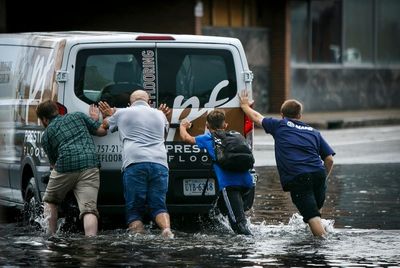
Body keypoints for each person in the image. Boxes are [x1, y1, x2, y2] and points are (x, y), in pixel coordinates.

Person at [239, 90, 335, 237]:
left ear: (282, 114)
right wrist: (323, 178)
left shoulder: (280, 125)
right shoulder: (313, 132)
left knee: (312, 217)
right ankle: (318, 239)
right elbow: (329, 159)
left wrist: (245, 106)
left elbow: (257, 117)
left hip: (299, 177)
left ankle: (322, 250)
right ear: (300, 116)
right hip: (318, 174)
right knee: (316, 212)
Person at [98, 89, 174, 238]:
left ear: (129, 103)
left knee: (134, 209)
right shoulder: (160, 114)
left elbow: (105, 126)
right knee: (158, 205)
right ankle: (166, 229)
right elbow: (163, 136)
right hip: (159, 163)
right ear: (149, 102)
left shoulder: (123, 113)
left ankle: (138, 238)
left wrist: (108, 115)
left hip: (135, 162)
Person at [36, 100, 108, 237]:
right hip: (90, 163)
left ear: (44, 119)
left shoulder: (46, 135)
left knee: (50, 201)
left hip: (65, 166)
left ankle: (50, 235)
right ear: (57, 110)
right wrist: (96, 119)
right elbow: (101, 131)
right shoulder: (77, 116)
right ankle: (91, 241)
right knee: (89, 209)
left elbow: (53, 164)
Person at [179, 109, 254, 235]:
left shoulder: (208, 138)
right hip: (247, 183)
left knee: (238, 224)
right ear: (225, 125)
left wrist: (182, 126)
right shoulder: (236, 135)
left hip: (230, 186)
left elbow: (186, 138)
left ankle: (247, 249)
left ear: (207, 126)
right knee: (226, 213)